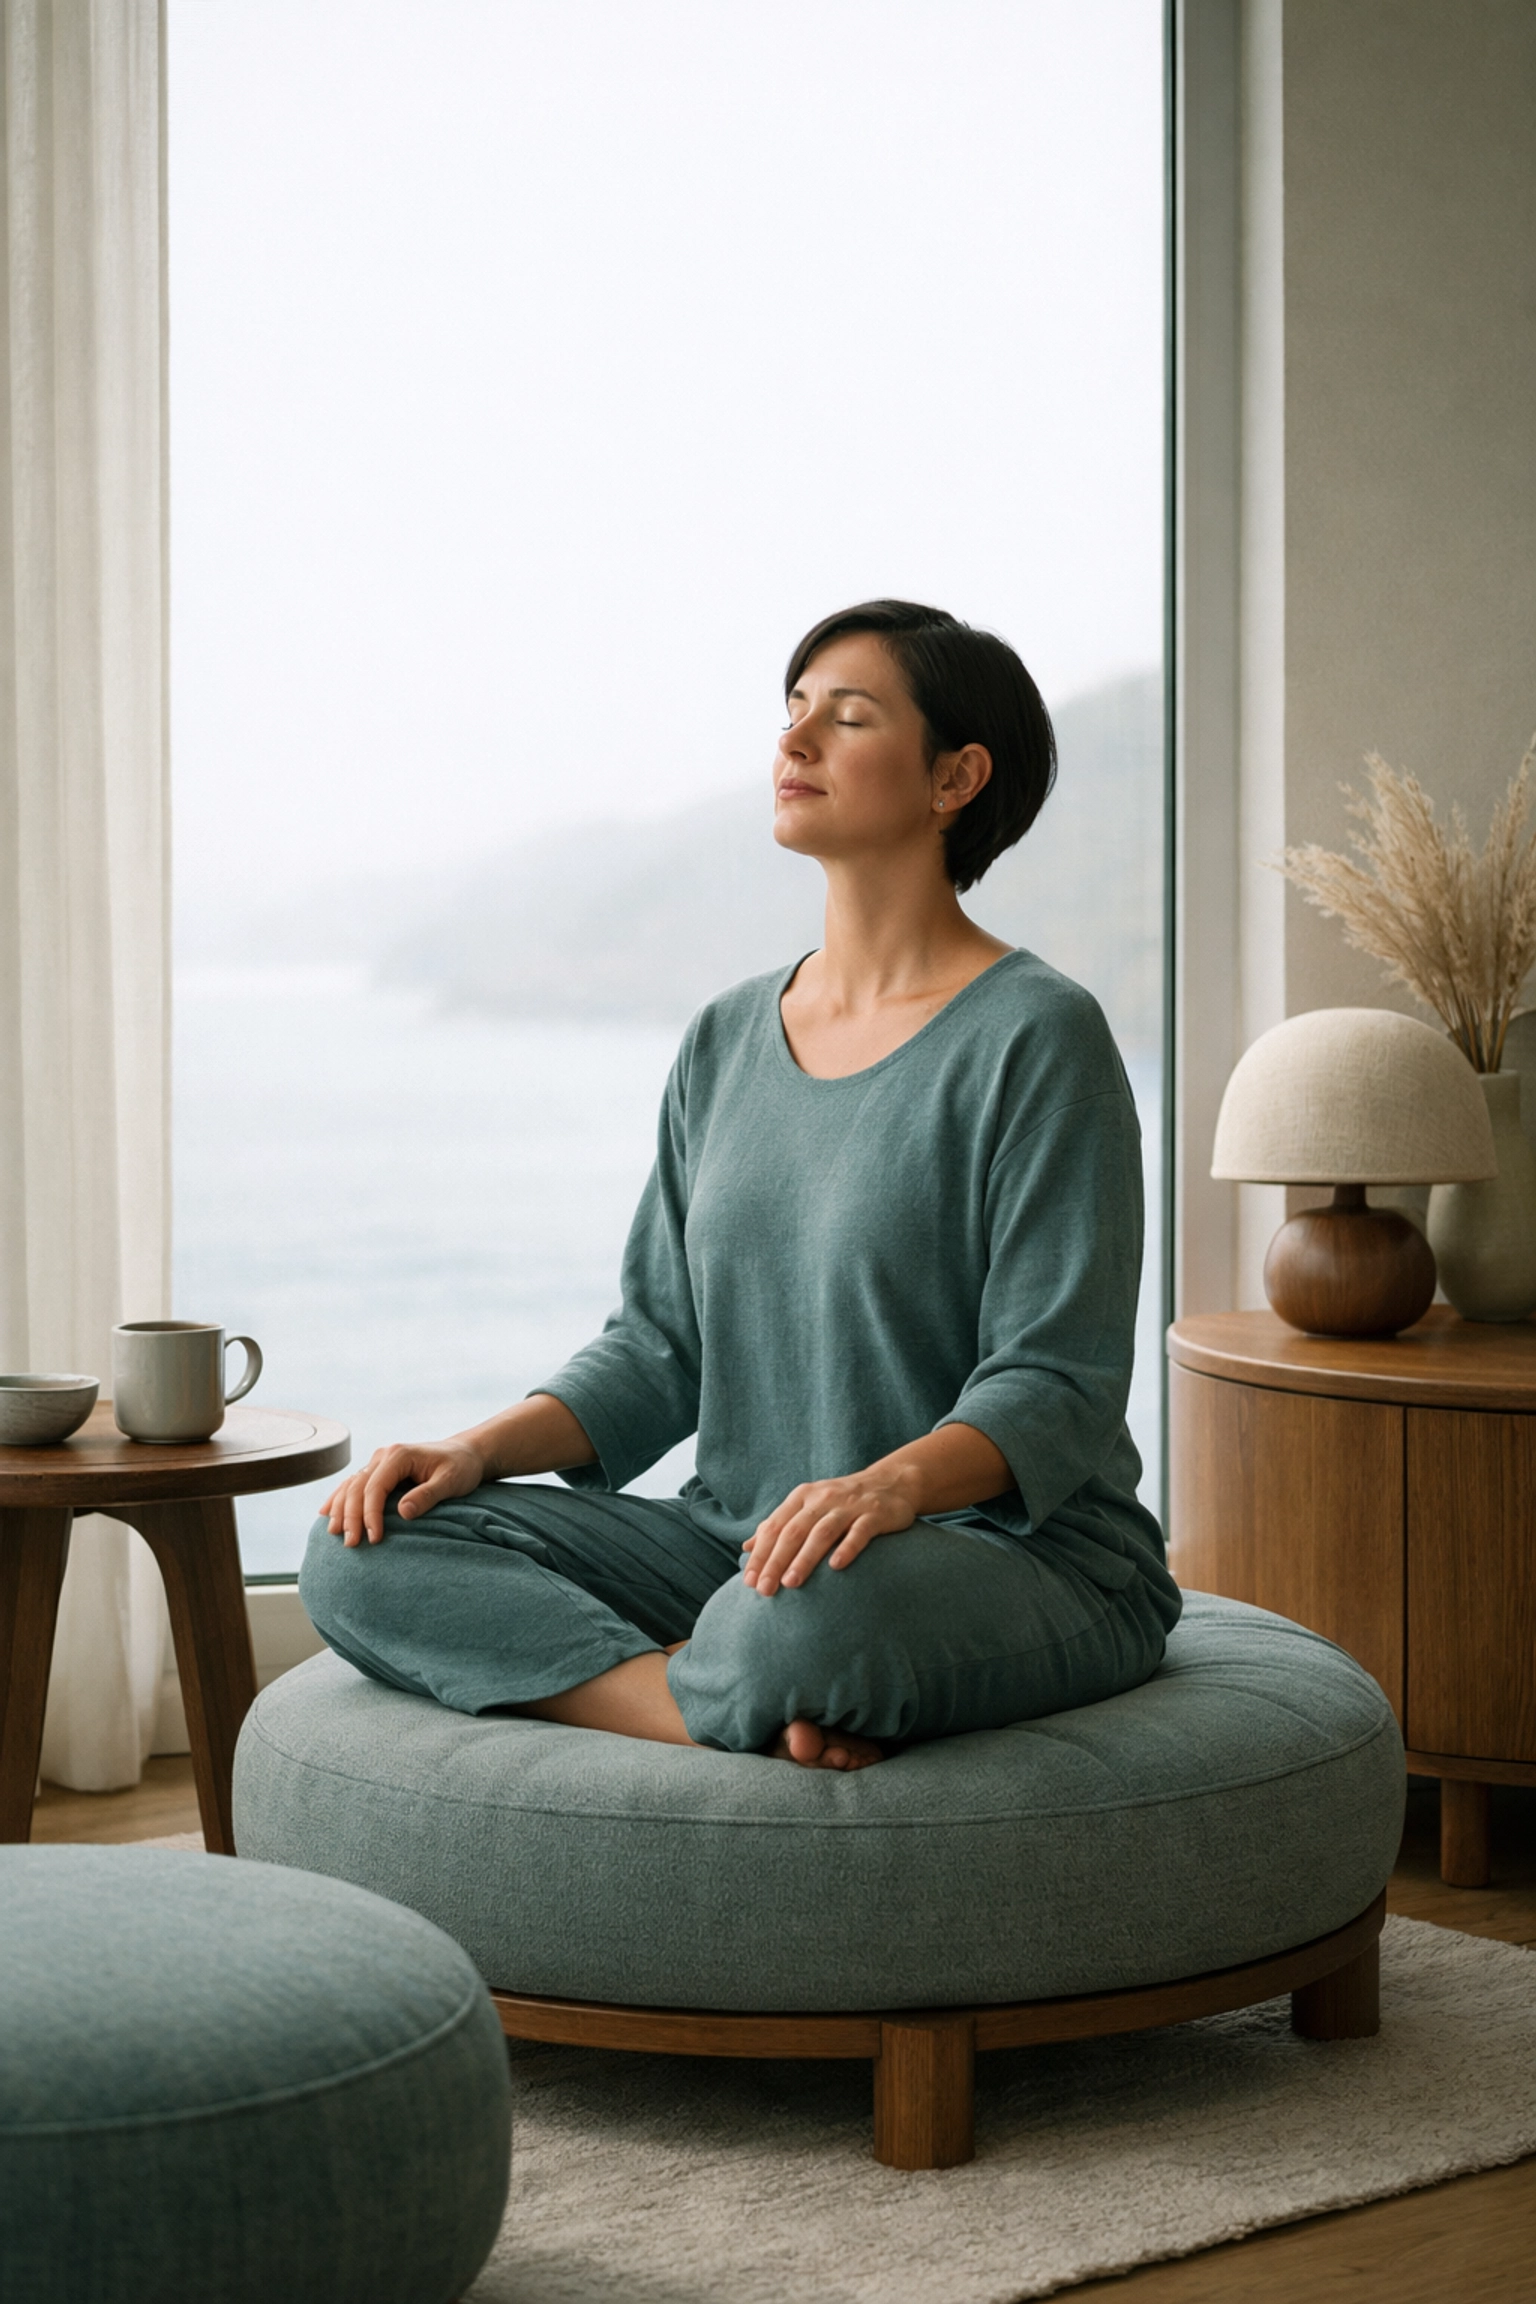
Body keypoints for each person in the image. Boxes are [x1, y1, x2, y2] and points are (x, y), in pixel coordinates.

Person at [302, 599, 1180, 1771]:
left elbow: (1057, 1383)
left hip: (1005, 1554)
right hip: (742, 1549)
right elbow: (659, 1350)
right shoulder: (726, 1036)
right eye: (793, 711)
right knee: (360, 1546)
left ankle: (749, 1669)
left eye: (848, 715)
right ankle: (704, 1704)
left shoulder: (1038, 1036)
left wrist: (890, 1489)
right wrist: (474, 1452)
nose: (796, 741)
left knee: (805, 1621)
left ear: (956, 776)